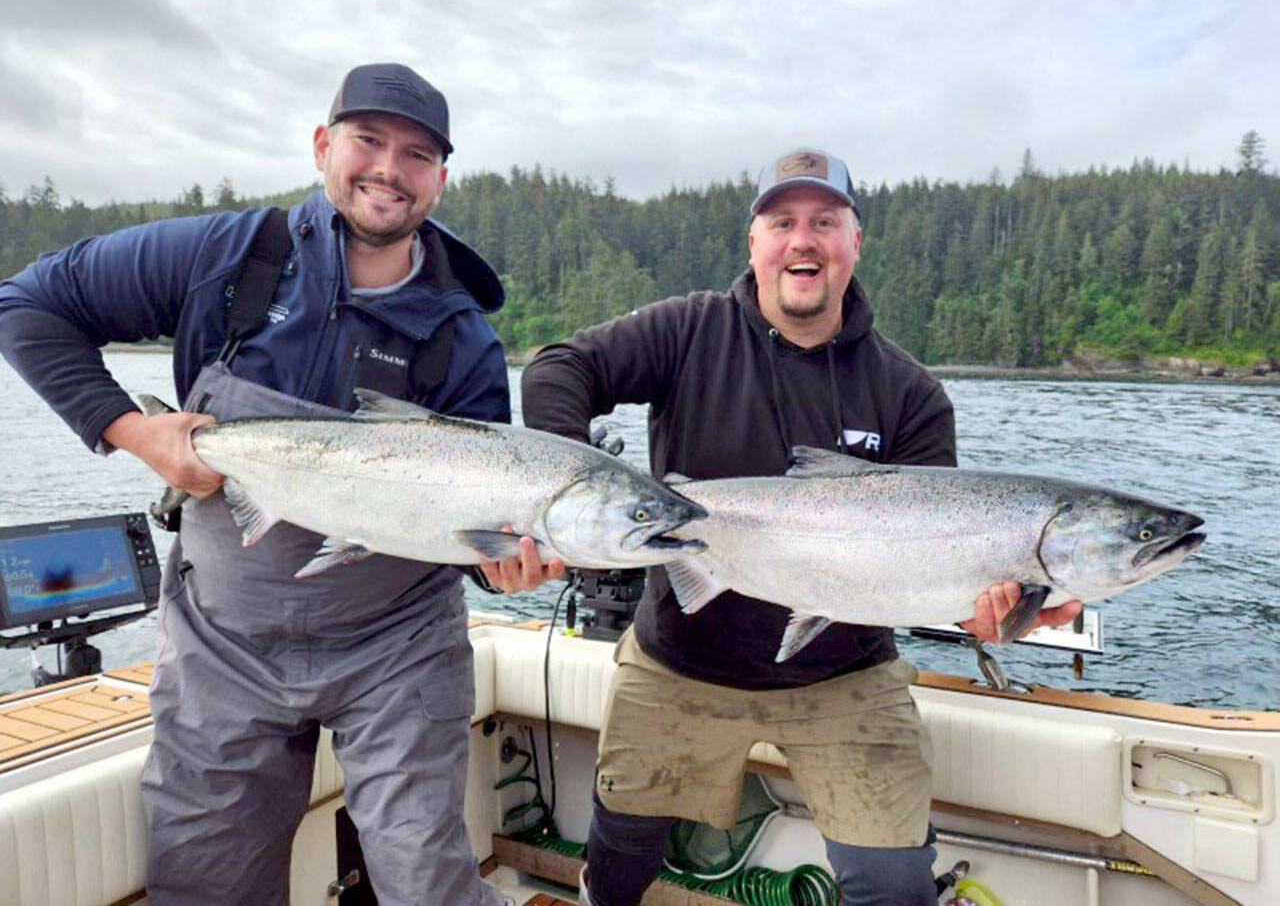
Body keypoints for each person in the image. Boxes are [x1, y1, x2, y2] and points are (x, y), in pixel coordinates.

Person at [0, 63, 539, 906]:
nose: (389, 170)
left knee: (426, 878)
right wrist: (139, 432)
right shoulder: (227, 255)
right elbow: (26, 305)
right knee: (206, 881)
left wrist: (510, 562)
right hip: (224, 641)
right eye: (369, 141)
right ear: (324, 146)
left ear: (441, 177)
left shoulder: (462, 336)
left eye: (417, 154)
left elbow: (471, 534)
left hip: (397, 647)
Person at [512, 147, 1082, 906]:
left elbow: (951, 584)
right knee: (619, 855)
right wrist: (577, 490)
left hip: (845, 676)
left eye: (825, 222)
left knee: (895, 887)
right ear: (754, 243)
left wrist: (1008, 616)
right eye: (782, 221)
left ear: (855, 242)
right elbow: (559, 368)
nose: (802, 240)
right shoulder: (688, 331)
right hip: (681, 657)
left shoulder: (911, 394)